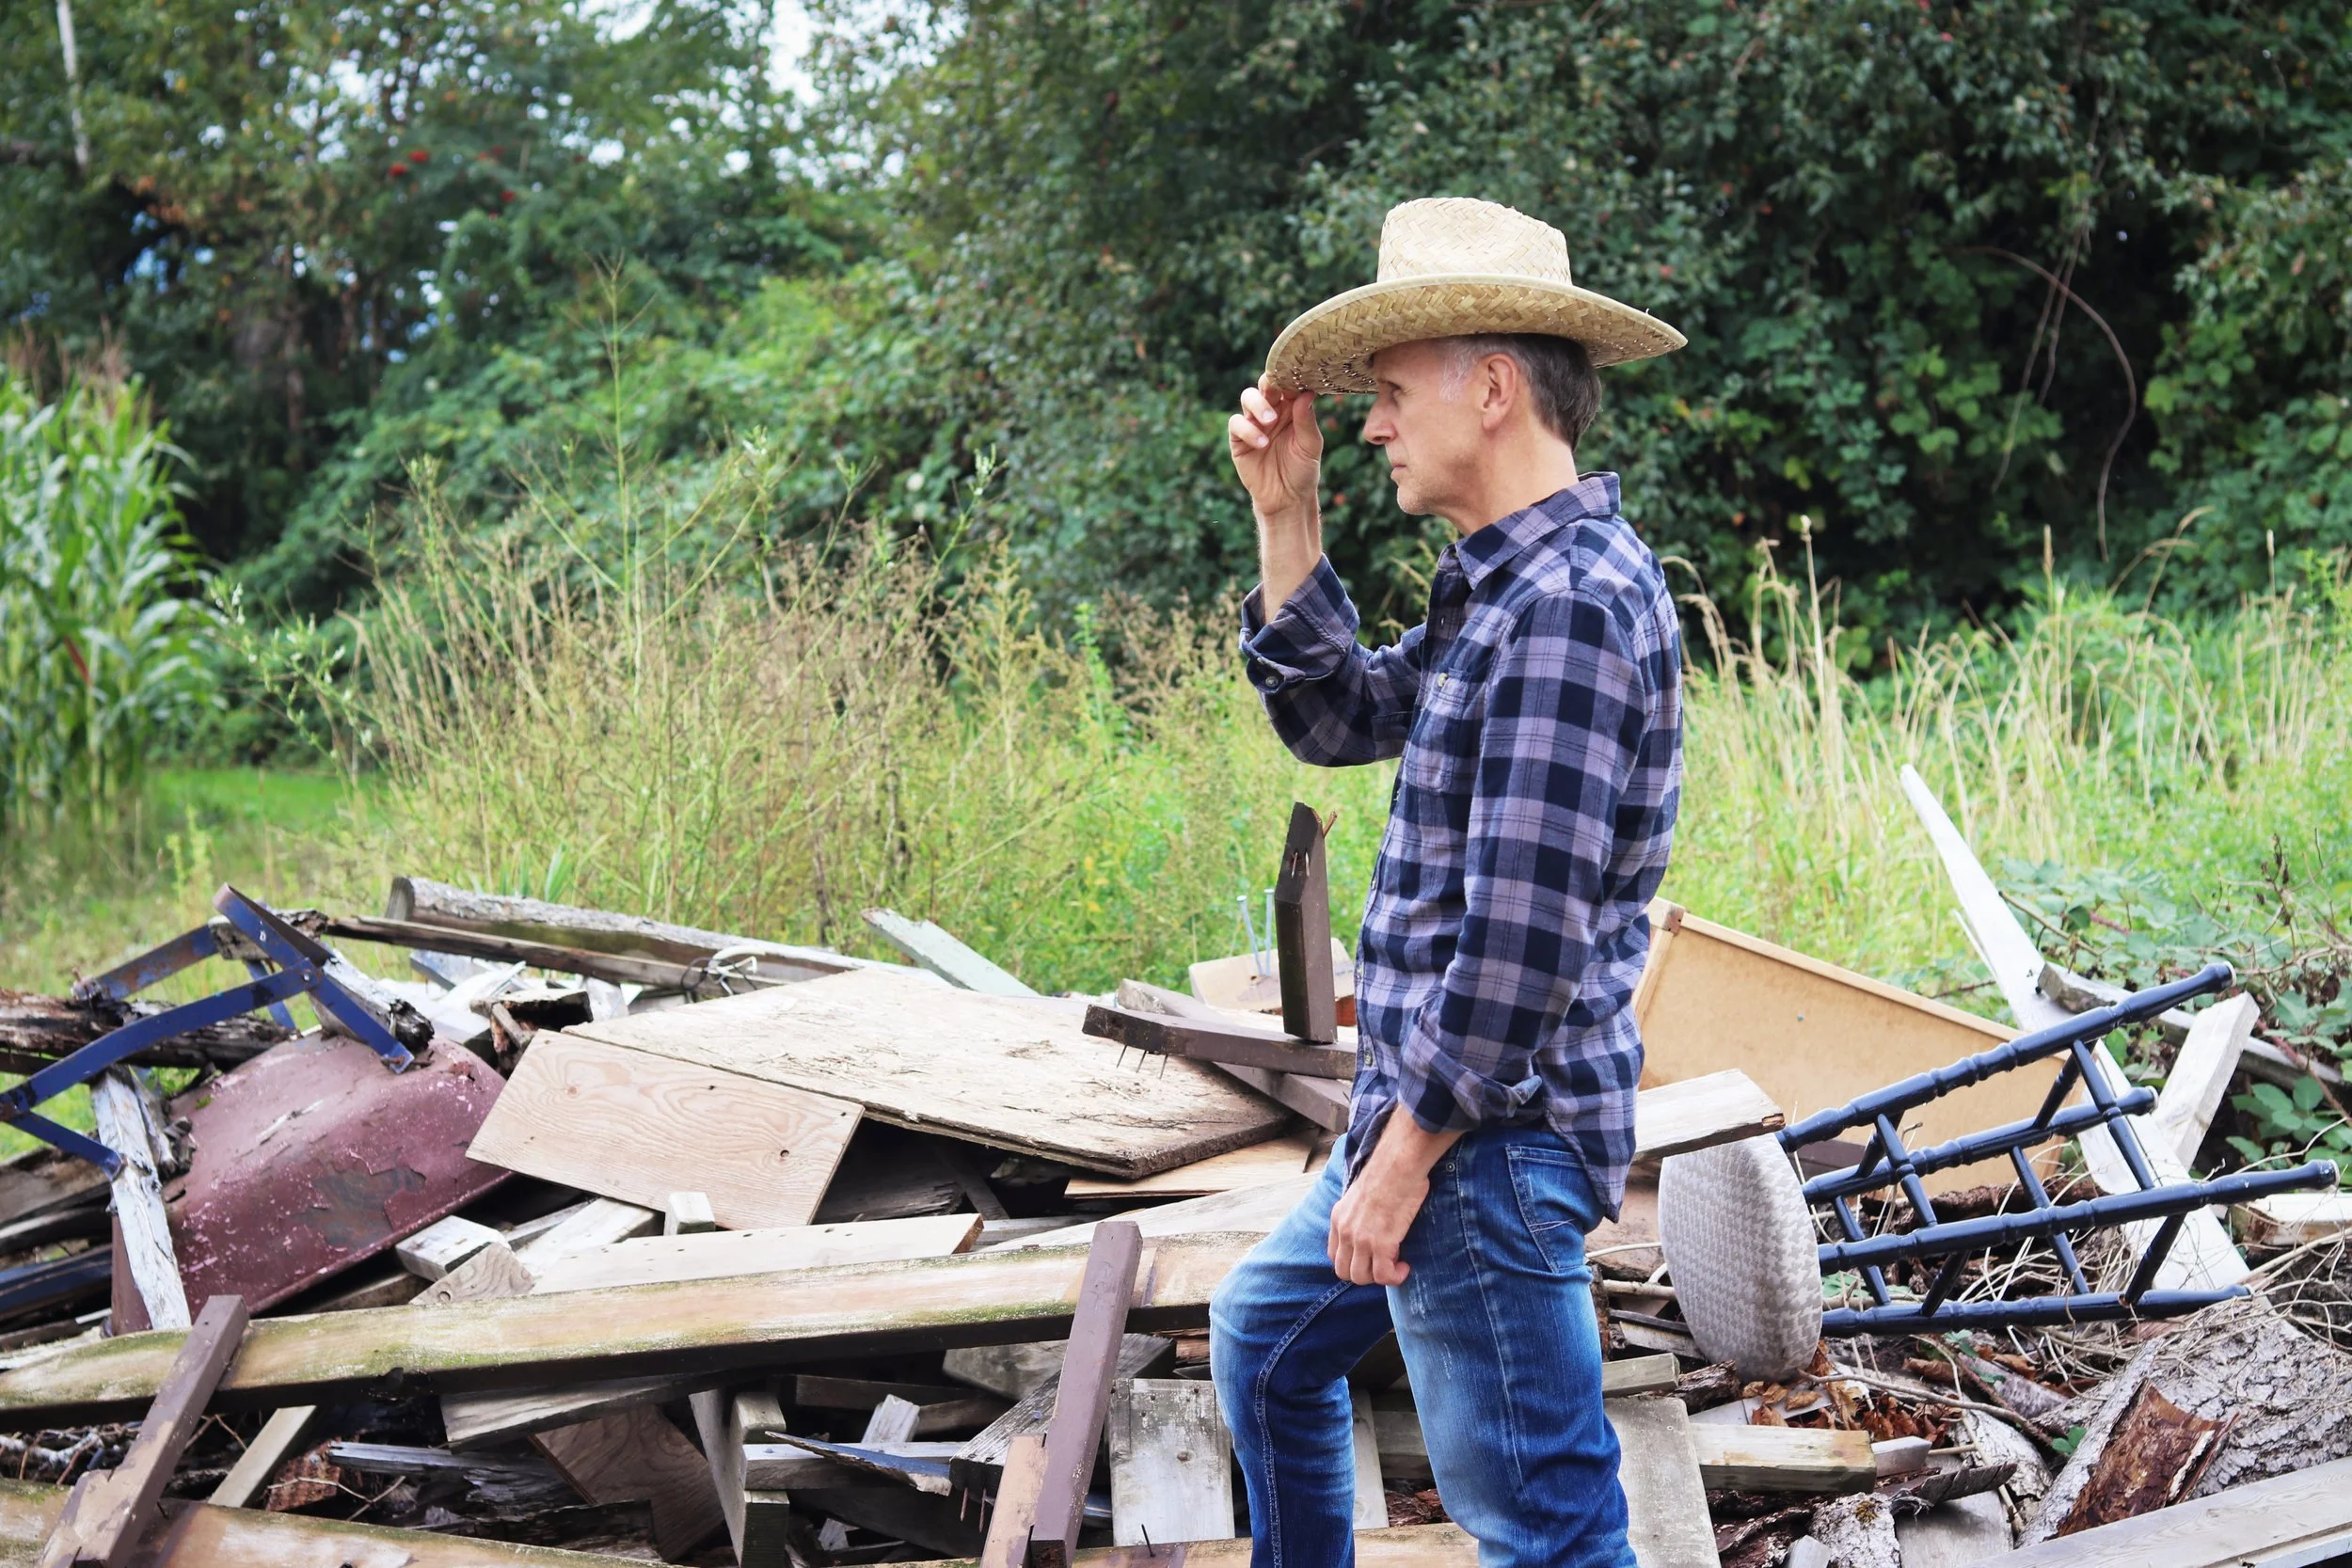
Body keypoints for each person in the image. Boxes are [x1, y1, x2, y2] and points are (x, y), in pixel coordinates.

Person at [1210, 197, 1688, 1568]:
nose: (1370, 425)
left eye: (1391, 392)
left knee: (1548, 1538)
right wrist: (1287, 522)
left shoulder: (1570, 610)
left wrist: (1402, 1162)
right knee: (1266, 1343)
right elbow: (1342, 716)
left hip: (1478, 1143)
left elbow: (1521, 950)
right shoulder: (1502, 584)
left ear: (1490, 388)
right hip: (1437, 1117)